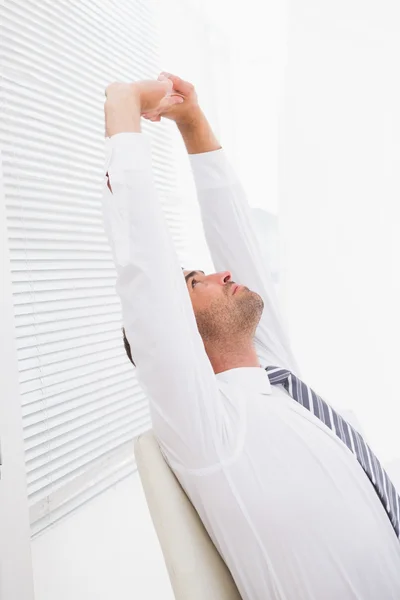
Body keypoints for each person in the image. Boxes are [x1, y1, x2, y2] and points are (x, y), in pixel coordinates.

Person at [102, 75, 400, 600]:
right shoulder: (208, 422)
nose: (220, 274)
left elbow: (237, 237)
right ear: (179, 334)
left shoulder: (278, 379)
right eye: (196, 282)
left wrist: (192, 122)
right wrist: (122, 107)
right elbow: (144, 269)